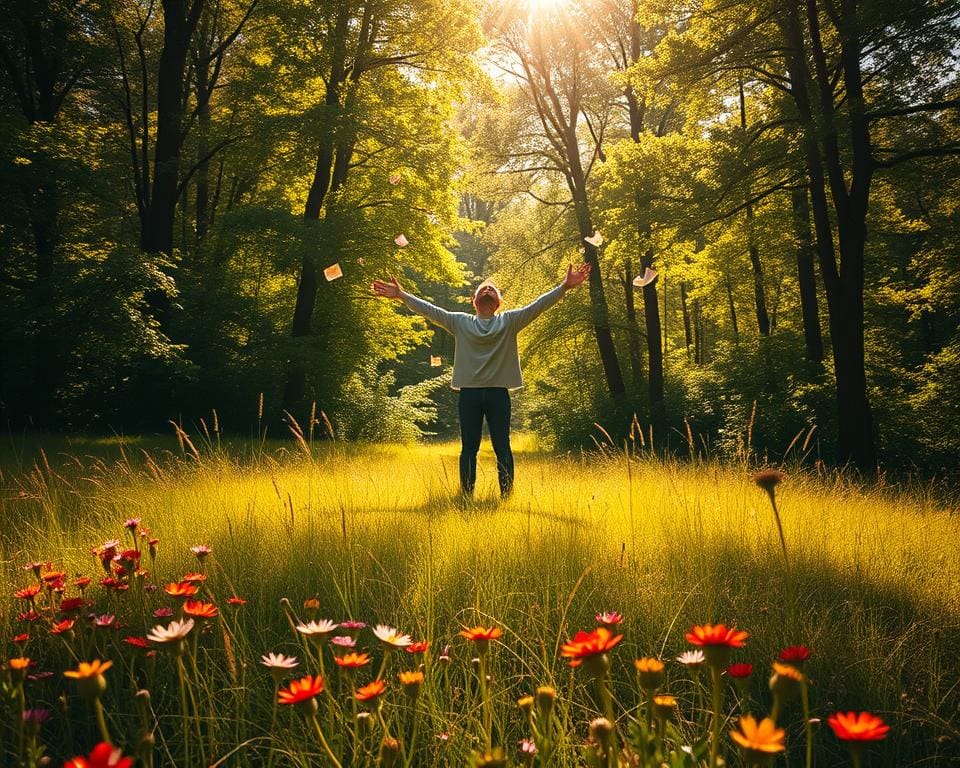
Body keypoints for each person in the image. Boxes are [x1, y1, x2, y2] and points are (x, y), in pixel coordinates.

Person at [372, 264, 591, 498]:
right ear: (473, 300)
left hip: (498, 394)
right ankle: (466, 496)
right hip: (470, 394)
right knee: (469, 448)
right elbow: (431, 310)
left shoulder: (510, 321)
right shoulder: (460, 322)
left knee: (502, 447)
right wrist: (402, 295)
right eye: (482, 289)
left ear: (498, 302)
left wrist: (565, 287)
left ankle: (506, 496)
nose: (487, 289)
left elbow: (538, 305)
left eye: (492, 289)